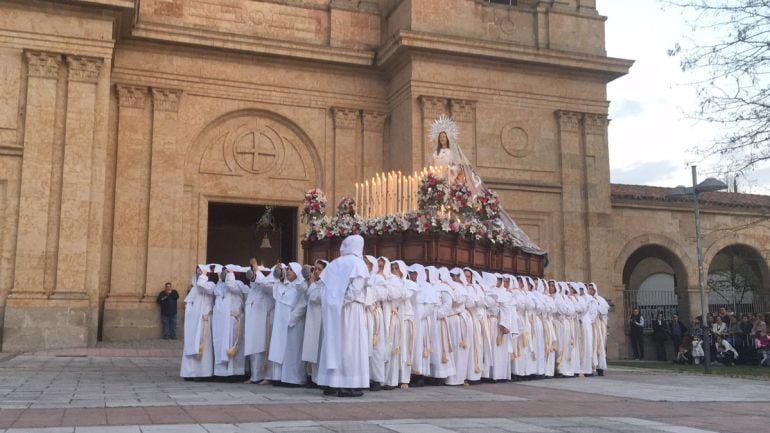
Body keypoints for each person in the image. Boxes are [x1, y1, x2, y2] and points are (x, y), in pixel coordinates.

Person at [316, 235, 370, 397]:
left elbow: (323, 287)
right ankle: (347, 384)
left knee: (333, 343)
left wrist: (334, 302)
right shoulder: (357, 263)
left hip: (334, 311)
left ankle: (331, 383)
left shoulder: (334, 263)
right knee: (350, 345)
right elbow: (356, 289)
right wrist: (343, 301)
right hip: (350, 310)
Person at [268, 262, 308, 386]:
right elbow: (272, 282)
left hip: (294, 325)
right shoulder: (282, 286)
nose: (288, 271)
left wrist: (290, 320)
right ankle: (280, 377)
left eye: (290, 269)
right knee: (280, 350)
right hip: (280, 325)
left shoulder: (301, 287)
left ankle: (293, 379)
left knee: (293, 352)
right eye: (287, 269)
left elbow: (302, 305)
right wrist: (278, 270)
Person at [180, 266, 216, 379]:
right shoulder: (194, 288)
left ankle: (202, 373)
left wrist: (204, 274)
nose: (198, 274)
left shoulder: (210, 285)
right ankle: (189, 372)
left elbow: (202, 285)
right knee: (190, 345)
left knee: (202, 344)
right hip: (192, 322)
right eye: (197, 272)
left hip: (203, 320)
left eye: (200, 272)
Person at [302, 260, 327, 386]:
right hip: (312, 320)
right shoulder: (314, 283)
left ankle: (319, 379)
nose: (316, 271)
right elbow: (306, 296)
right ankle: (313, 377)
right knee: (312, 349)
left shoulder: (325, 284)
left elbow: (315, 298)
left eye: (319, 269)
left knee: (319, 350)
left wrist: (311, 284)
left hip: (321, 321)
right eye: (315, 269)